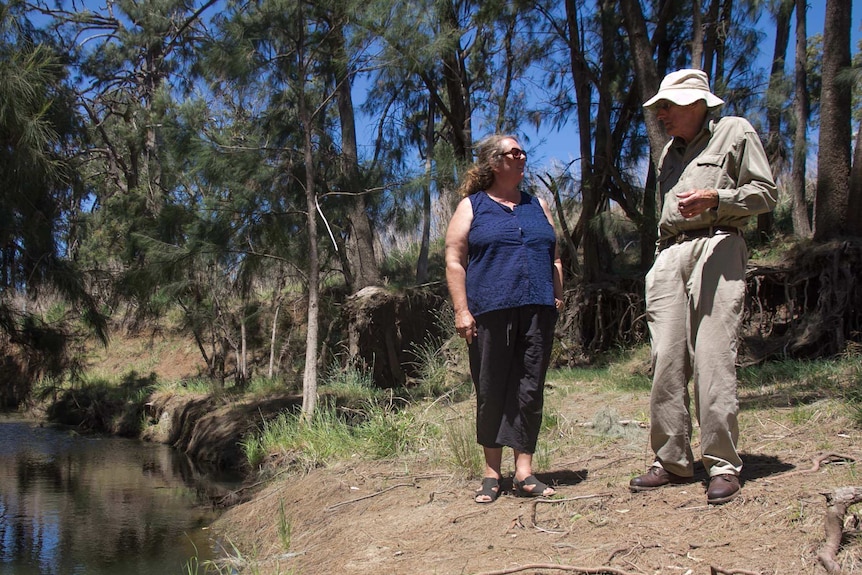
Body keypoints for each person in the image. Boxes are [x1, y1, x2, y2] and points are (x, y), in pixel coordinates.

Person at [629, 69, 777, 505]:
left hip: (719, 244)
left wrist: (718, 200)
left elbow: (767, 193)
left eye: (668, 106)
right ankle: (671, 459)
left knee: (714, 355)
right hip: (671, 253)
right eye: (658, 107)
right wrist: (660, 259)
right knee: (666, 358)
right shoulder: (668, 154)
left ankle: (722, 465)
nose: (661, 114)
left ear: (698, 104)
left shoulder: (734, 131)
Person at [445, 134, 564, 504]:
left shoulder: (537, 204)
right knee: (492, 387)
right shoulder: (473, 206)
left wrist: (557, 294)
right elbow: (453, 259)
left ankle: (524, 472)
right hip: (490, 311)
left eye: (523, 151)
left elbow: (555, 256)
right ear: (494, 162)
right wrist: (462, 310)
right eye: (514, 152)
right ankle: (492, 474)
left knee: (529, 388)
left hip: (537, 308)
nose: (522, 156)